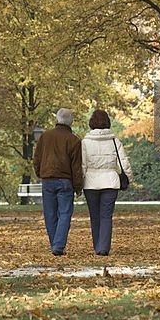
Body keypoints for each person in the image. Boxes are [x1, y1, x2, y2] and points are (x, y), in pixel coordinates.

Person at [81, 109, 133, 256]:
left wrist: (80, 183)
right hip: (110, 182)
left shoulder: (85, 143)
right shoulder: (114, 141)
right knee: (106, 216)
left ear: (91, 123)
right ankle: (103, 247)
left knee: (94, 215)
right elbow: (124, 162)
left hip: (90, 183)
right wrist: (129, 178)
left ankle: (97, 245)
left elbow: (82, 165)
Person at [32, 107, 83, 256]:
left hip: (48, 179)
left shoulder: (45, 137)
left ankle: (55, 243)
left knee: (50, 214)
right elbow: (76, 167)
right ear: (71, 122)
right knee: (65, 213)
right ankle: (58, 245)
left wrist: (41, 173)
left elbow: (37, 159)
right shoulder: (73, 140)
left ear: (57, 119)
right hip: (65, 180)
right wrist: (78, 186)